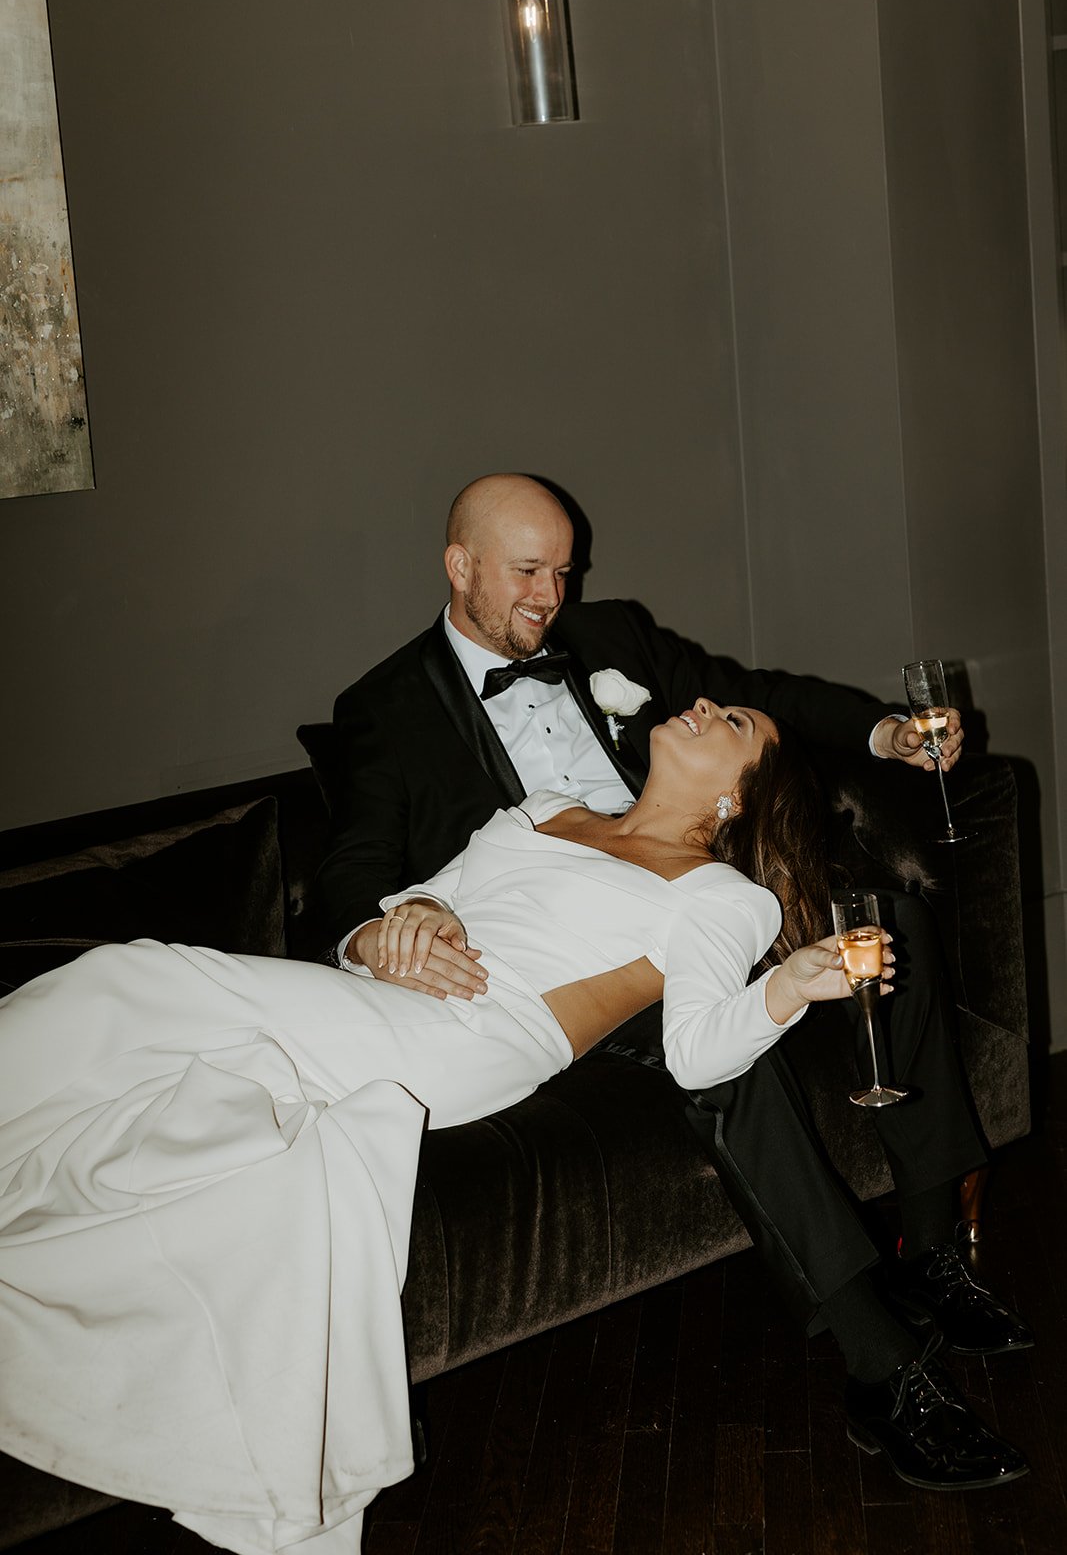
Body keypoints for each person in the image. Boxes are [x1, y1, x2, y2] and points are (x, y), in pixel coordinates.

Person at [3, 699, 1025, 1555]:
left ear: (736, 796)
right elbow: (418, 898)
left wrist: (789, 989)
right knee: (148, 1069)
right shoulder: (541, 809)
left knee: (137, 977)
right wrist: (400, 926)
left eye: (733, 721)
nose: (704, 703)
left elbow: (696, 1054)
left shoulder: (718, 894)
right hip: (383, 1001)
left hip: (474, 1040)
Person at [314, 473, 1032, 1491]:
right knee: (715, 1059)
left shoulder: (611, 634)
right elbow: (352, 866)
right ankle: (882, 1362)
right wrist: (386, 925)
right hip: (585, 960)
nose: (549, 595)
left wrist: (886, 733)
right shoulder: (383, 706)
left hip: (715, 877)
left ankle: (933, 1249)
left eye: (562, 571)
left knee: (889, 922)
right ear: (458, 566)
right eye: (526, 572)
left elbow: (759, 691)